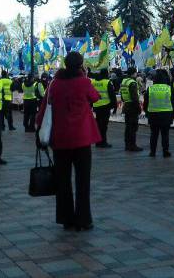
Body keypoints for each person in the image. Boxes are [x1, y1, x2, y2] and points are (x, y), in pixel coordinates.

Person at [36, 52, 101, 231]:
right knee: (83, 181)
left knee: (63, 181)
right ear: (80, 65)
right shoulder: (84, 82)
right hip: (81, 138)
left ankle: (66, 218)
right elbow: (95, 97)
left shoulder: (54, 84)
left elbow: (43, 110)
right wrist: (85, 77)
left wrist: (39, 132)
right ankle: (83, 219)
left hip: (60, 138)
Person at [143, 69, 174, 158]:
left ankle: (152, 152)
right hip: (166, 114)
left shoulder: (150, 89)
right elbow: (173, 102)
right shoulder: (169, 88)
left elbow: (145, 103)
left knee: (154, 134)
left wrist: (146, 112)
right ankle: (165, 151)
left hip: (153, 114)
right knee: (165, 134)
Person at [90, 68, 116, 148]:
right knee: (104, 126)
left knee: (98, 125)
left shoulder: (93, 82)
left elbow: (91, 93)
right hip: (105, 106)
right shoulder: (107, 82)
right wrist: (114, 106)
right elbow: (112, 95)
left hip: (96, 105)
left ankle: (98, 142)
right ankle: (103, 142)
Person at [120, 67, 143, 152]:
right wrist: (139, 108)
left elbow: (122, 95)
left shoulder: (124, 81)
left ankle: (127, 145)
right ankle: (132, 145)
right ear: (134, 73)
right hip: (132, 106)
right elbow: (135, 97)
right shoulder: (132, 82)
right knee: (133, 127)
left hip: (126, 105)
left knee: (128, 127)